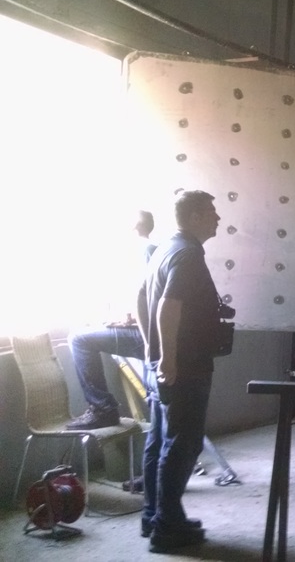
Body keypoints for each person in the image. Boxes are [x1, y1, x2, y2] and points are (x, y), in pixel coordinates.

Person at [136, 191, 222, 552]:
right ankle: (167, 527)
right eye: (213, 213)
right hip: (184, 367)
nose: (218, 218)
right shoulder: (187, 254)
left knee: (159, 438)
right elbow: (167, 307)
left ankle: (155, 514)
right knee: (183, 443)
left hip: (164, 365)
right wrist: (168, 358)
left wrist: (150, 350)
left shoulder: (165, 249)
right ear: (197, 217)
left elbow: (141, 297)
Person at [66, 210, 158, 430]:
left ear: (133, 226)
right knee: (84, 334)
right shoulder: (145, 251)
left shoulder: (145, 250)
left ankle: (103, 409)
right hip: (146, 331)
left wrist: (134, 322)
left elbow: (151, 299)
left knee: (78, 339)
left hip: (147, 335)